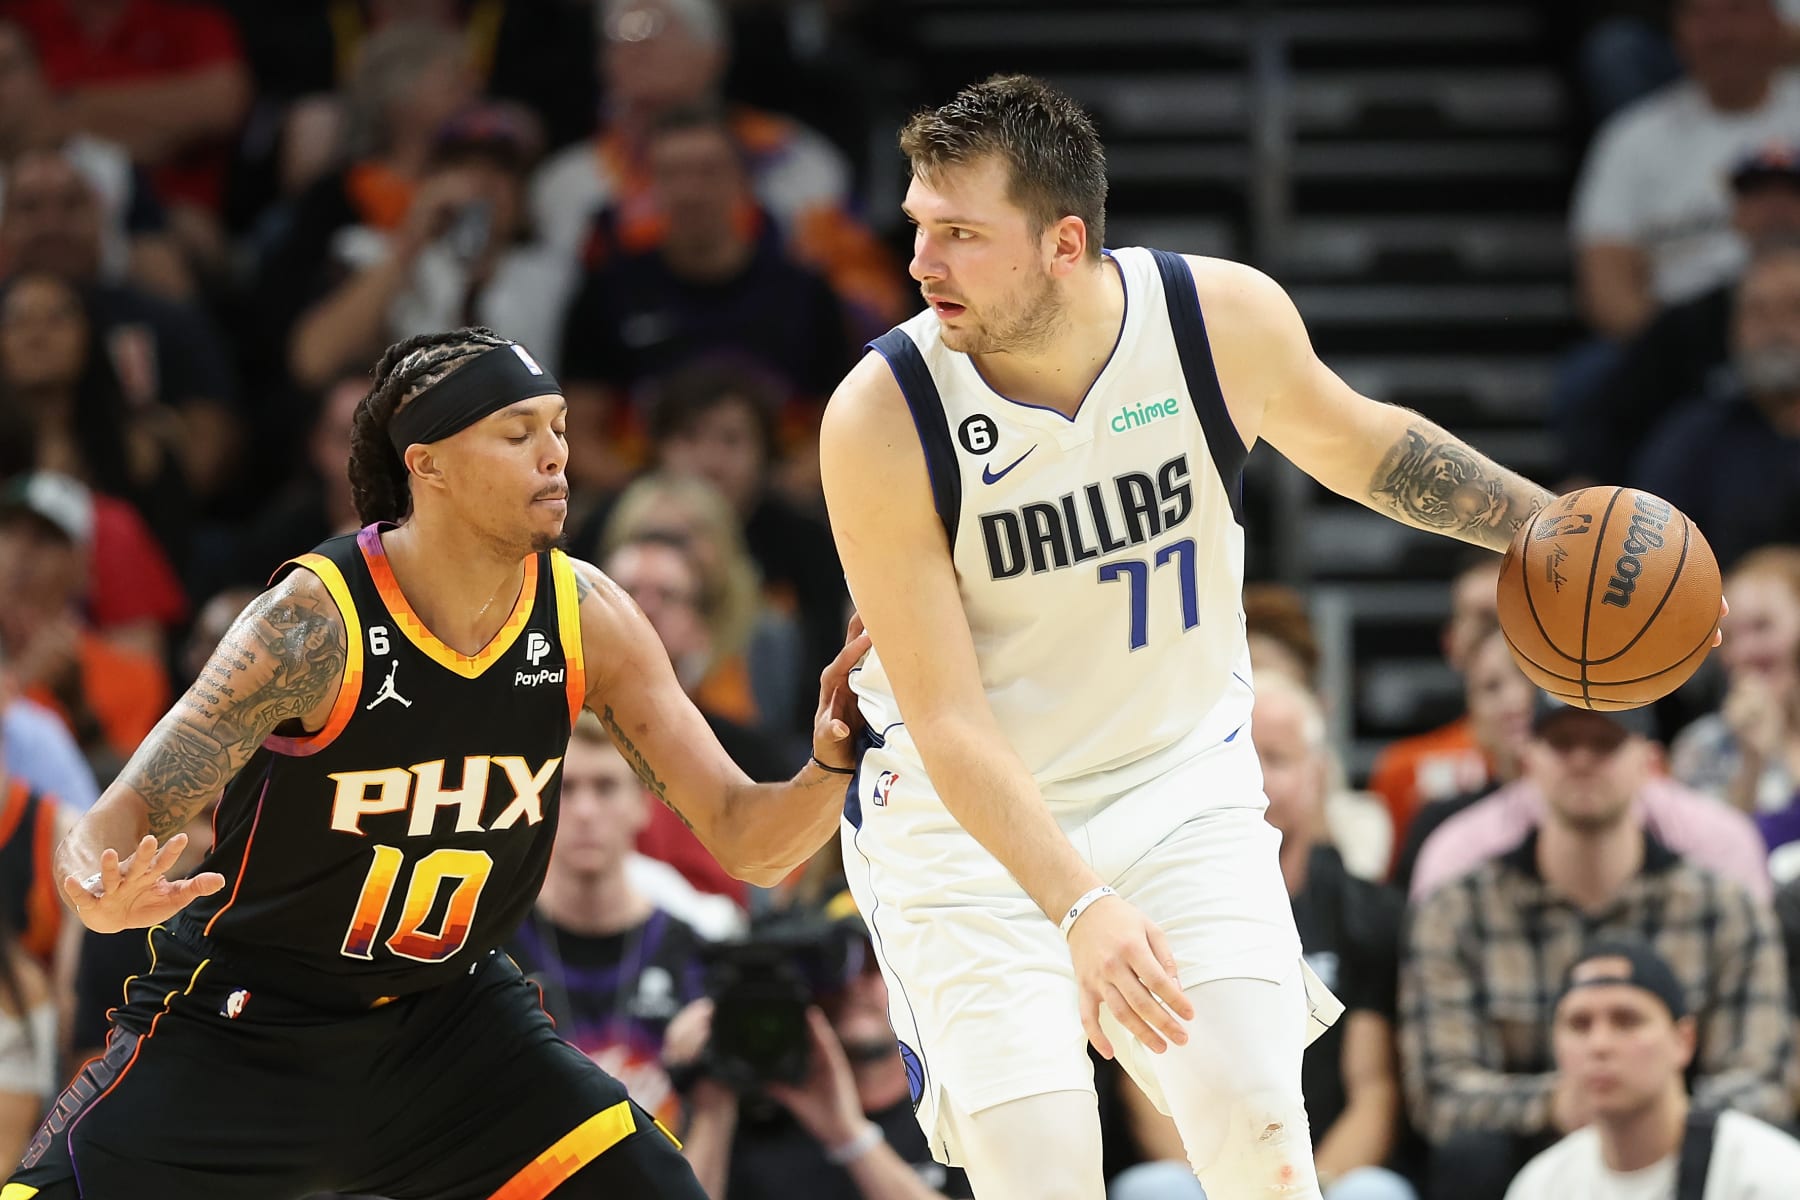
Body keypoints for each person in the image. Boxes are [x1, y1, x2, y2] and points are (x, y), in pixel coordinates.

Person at [815, 73, 1605, 1200]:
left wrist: (1547, 529)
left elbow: (1366, 445)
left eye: (960, 234)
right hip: (963, 834)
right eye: (918, 229)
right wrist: (1080, 905)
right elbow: (944, 718)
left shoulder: (1212, 321)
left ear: (1063, 242)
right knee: (1040, 1178)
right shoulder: (883, 413)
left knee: (1259, 1135)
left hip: (1173, 786)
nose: (920, 264)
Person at [6, 324, 868, 1198]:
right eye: (517, 432)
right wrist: (98, 893)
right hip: (250, 1024)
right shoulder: (314, 621)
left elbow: (750, 842)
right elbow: (118, 818)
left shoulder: (586, 616)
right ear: (430, 465)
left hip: (450, 1027)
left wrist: (834, 762)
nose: (555, 455)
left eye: (560, 427)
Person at [1399, 699, 1793, 1200]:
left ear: (1650, 763)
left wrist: (1651, 1104)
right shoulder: (1456, 908)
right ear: (1528, 761)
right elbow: (1440, 1093)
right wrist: (1562, 1103)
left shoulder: (1724, 905)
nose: (1582, 759)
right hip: (1529, 1153)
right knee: (1469, 1155)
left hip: (1693, 1149)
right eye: (1561, 743)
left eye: (1605, 742)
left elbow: (1765, 1081)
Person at [1104, 673, 1416, 1200]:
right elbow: (1141, 1084)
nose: (1254, 777)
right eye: (1238, 754)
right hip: (1198, 1171)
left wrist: (1294, 1187)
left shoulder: (1364, 910)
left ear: (1318, 774)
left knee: (1375, 1194)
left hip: (1326, 1174)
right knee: (1155, 1190)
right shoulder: (1152, 908)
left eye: (1276, 757)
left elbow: (1374, 1089)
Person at [662, 893, 976, 1200]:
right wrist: (712, 1111)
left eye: (872, 964)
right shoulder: (749, 1091)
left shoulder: (955, 1102)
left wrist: (850, 1135)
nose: (852, 985)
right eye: (834, 969)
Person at [506, 710, 713, 1133]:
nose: (584, 811)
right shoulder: (494, 951)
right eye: (565, 788)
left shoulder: (695, 954)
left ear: (643, 805)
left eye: (605, 787)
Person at [1503, 938, 1800, 1200]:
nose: (1599, 1045)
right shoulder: (1541, 1186)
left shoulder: (1768, 1176)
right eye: (1579, 1025)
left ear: (1683, 1040)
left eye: (1627, 1020)